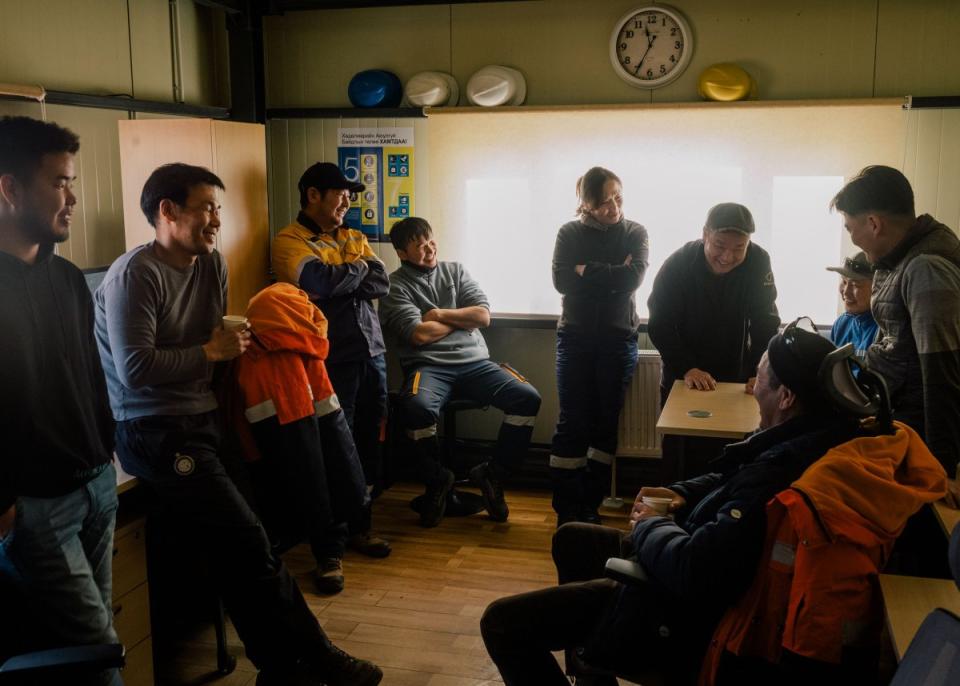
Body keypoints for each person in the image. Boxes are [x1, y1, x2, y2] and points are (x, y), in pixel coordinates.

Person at [480, 322, 945, 685]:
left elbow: (697, 570)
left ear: (784, 396)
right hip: (700, 561)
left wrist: (648, 527)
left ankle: (606, 647)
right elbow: (728, 474)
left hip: (688, 615)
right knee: (572, 539)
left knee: (503, 623)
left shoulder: (778, 472)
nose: (752, 383)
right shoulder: (816, 436)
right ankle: (594, 669)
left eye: (760, 375)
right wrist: (683, 493)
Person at [95, 163, 382, 686]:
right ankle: (316, 657)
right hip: (152, 431)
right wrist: (209, 350)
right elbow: (135, 369)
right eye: (205, 208)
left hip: (203, 419)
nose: (215, 220)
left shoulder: (212, 264)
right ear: (167, 211)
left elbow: (215, 349)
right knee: (248, 541)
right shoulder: (135, 274)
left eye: (218, 209)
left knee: (254, 543)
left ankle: (278, 666)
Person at [0, 116, 121, 686]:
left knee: (88, 648)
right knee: (97, 648)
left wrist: (106, 446)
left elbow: (90, 377)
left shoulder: (69, 278)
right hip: (38, 505)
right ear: (9, 188)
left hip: (96, 484)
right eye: (60, 183)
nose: (74, 198)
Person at [379, 216, 542, 527]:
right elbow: (419, 335)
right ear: (401, 253)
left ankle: (493, 474)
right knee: (415, 407)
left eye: (430, 241)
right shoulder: (395, 285)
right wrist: (459, 319)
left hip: (476, 364)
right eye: (419, 245)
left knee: (526, 398)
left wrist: (439, 313)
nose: (429, 249)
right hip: (428, 367)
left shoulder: (456, 271)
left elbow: (482, 316)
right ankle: (437, 479)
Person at [273, 161, 391, 558]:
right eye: (341, 194)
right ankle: (331, 542)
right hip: (329, 358)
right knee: (334, 446)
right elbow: (317, 283)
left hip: (371, 351)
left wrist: (347, 274)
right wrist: (357, 269)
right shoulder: (288, 241)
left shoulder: (353, 235)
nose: (347, 202)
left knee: (368, 439)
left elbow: (382, 281)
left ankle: (363, 525)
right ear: (313, 195)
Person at [233, 283, 369, 595]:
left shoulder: (274, 346)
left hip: (284, 432)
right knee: (336, 477)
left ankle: (332, 550)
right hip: (296, 428)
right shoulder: (294, 339)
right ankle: (334, 549)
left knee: (327, 481)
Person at [831, 165, 960, 477]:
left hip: (918, 442)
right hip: (897, 420)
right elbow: (896, 349)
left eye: (850, 229)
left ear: (874, 224)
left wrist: (942, 470)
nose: (853, 239)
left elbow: (942, 373)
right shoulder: (897, 261)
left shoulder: (925, 268)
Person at [647, 202, 780, 477]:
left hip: (735, 370)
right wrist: (687, 367)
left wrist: (760, 369)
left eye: (738, 248)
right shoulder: (679, 263)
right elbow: (660, 323)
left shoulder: (758, 261)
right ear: (705, 234)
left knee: (731, 451)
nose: (728, 256)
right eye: (720, 245)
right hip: (683, 371)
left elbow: (766, 321)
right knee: (680, 451)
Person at [549, 167, 649, 526]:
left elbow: (632, 278)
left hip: (618, 339)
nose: (613, 207)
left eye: (618, 197)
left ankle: (590, 506)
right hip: (574, 338)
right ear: (586, 204)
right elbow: (561, 281)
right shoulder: (569, 232)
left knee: (604, 425)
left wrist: (584, 270)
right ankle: (566, 508)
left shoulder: (635, 232)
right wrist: (610, 273)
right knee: (572, 422)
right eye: (603, 201)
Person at [826, 250, 877, 361]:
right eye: (844, 282)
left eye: (856, 284)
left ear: (877, 287)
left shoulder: (883, 330)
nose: (846, 292)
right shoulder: (841, 323)